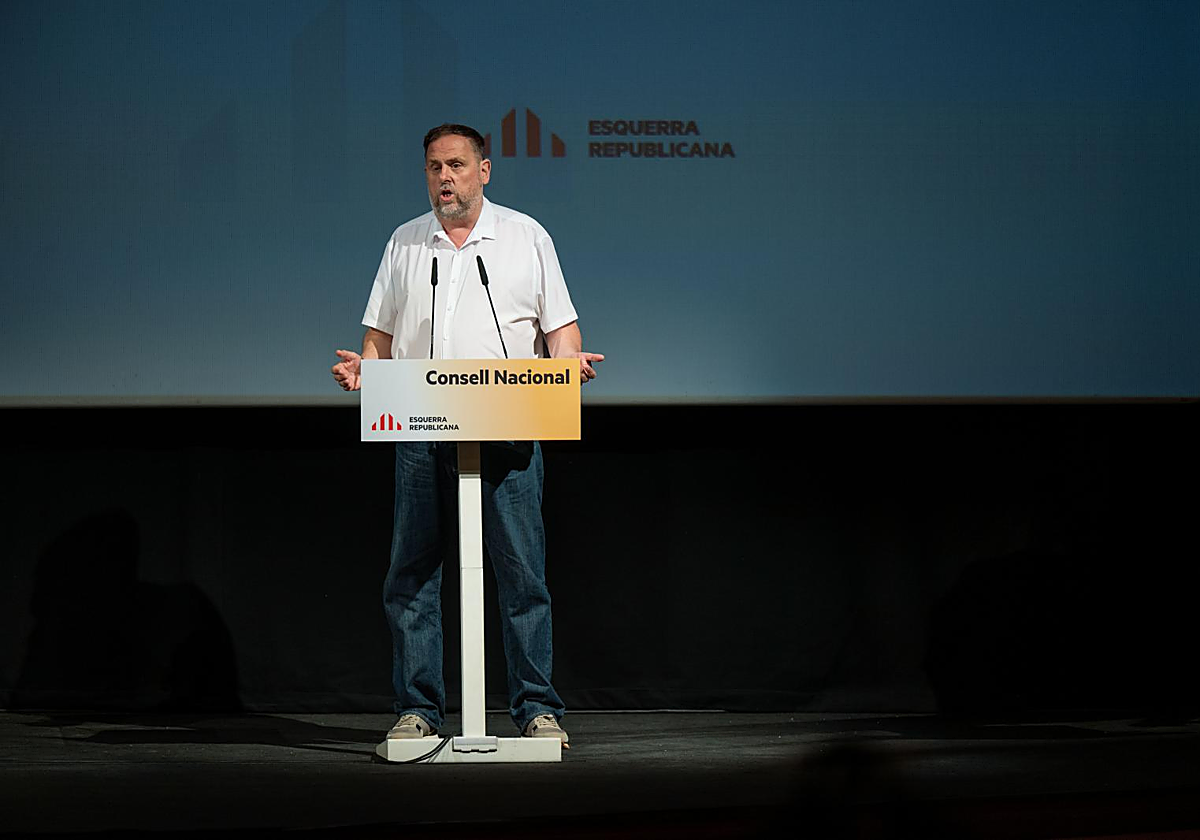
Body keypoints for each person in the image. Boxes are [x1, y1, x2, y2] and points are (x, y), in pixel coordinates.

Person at [331, 123, 603, 749]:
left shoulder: (524, 236)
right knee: (413, 572)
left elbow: (560, 330)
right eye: (433, 167)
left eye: (455, 165)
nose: (444, 178)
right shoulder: (406, 242)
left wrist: (566, 370)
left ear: (485, 169)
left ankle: (536, 708)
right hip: (422, 427)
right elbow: (380, 340)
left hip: (509, 421)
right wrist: (364, 370)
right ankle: (419, 710)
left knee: (521, 573)